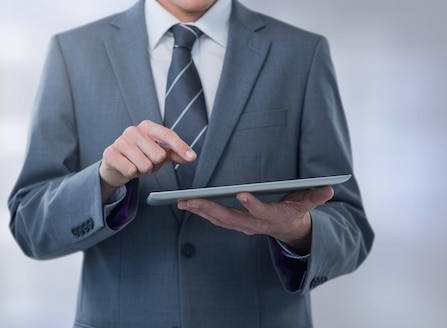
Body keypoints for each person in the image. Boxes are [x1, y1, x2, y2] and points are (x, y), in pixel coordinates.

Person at [8, 0, 374, 327]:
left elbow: (351, 228)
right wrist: (103, 182)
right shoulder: (73, 52)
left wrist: (298, 231)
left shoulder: (301, 53)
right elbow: (30, 226)